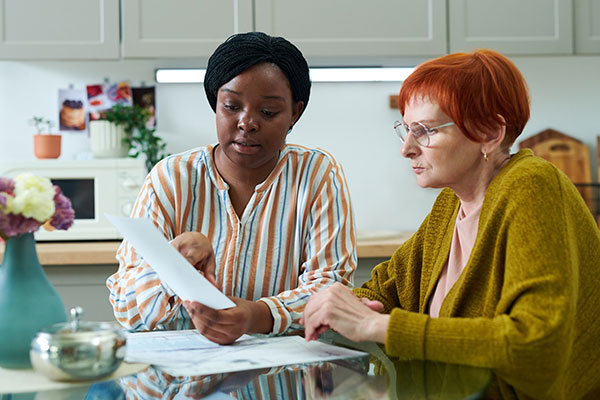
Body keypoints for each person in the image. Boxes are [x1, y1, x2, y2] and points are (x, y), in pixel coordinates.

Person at [301, 49, 600, 399]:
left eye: (425, 131)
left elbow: (535, 345)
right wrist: (348, 305)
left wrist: (376, 325)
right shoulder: (453, 202)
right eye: (406, 130)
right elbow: (385, 290)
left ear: (489, 133)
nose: (407, 149)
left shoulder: (532, 185)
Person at [107, 32, 356, 344]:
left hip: (280, 378)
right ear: (215, 104)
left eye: (268, 112)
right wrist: (174, 265)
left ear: (295, 113)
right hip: (181, 381)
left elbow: (331, 289)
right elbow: (124, 308)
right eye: (231, 106)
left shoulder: (316, 174)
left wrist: (257, 315)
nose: (247, 123)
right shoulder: (171, 178)